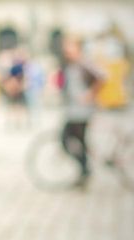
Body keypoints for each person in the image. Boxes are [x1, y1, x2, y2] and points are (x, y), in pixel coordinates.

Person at [58, 36, 105, 186]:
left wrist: (90, 94)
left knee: (67, 139)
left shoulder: (84, 63)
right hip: (73, 110)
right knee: (77, 141)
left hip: (82, 112)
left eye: (70, 47)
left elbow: (102, 77)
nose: (67, 50)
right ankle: (84, 170)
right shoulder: (70, 64)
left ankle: (85, 170)